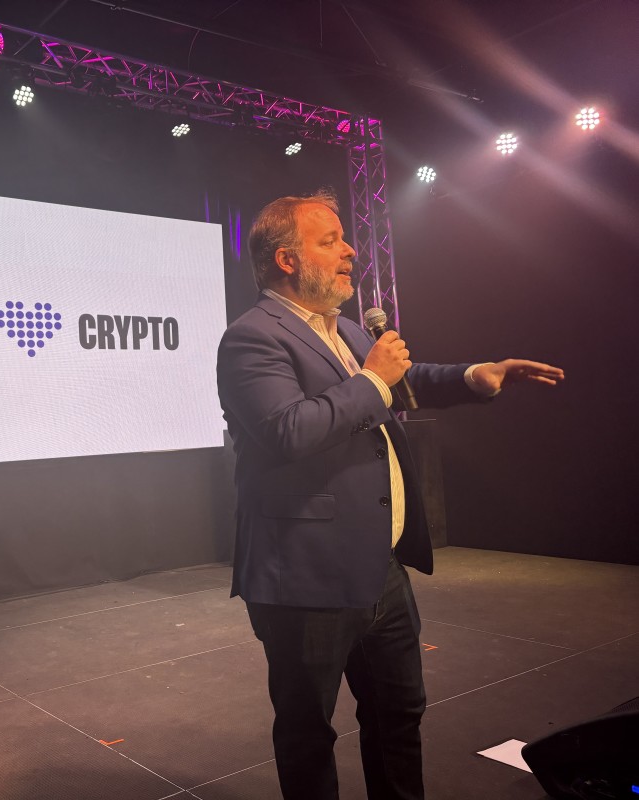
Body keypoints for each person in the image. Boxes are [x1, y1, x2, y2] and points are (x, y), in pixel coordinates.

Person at [216, 190, 564, 800]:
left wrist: (472, 377)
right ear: (287, 260)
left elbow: (403, 382)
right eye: (330, 241)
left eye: (345, 239)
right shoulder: (252, 337)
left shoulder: (346, 330)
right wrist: (374, 376)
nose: (350, 250)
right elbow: (289, 429)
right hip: (305, 576)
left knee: (399, 714)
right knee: (307, 733)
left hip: (382, 566)